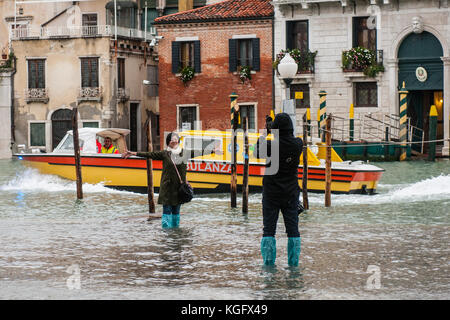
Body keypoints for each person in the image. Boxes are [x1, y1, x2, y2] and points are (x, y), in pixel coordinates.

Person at [254, 113, 303, 267]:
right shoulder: (298, 144)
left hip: (271, 194)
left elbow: (257, 152)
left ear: (276, 128)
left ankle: (269, 266)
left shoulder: (270, 146)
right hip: (291, 193)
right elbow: (288, 139)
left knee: (269, 230)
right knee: (293, 230)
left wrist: (266, 133)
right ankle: (293, 265)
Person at [122, 132, 187, 229]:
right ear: (168, 142)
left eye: (175, 139)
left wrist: (212, 150)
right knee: (167, 211)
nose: (174, 141)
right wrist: (134, 153)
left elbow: (199, 152)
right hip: (167, 189)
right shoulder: (164, 154)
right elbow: (150, 154)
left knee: (176, 212)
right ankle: (166, 235)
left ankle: (176, 234)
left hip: (179, 189)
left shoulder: (184, 153)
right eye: (171, 139)